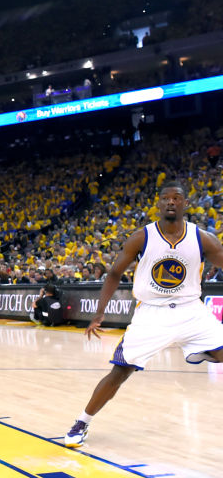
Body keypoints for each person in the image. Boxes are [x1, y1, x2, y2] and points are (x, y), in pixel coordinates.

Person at [64, 181, 223, 447]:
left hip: (191, 310)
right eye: (166, 198)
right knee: (120, 372)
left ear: (185, 203)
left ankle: (205, 348)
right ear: (158, 204)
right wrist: (99, 313)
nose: (171, 201)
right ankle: (82, 422)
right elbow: (114, 274)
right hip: (152, 313)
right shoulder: (142, 237)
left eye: (176, 198)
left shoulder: (202, 238)